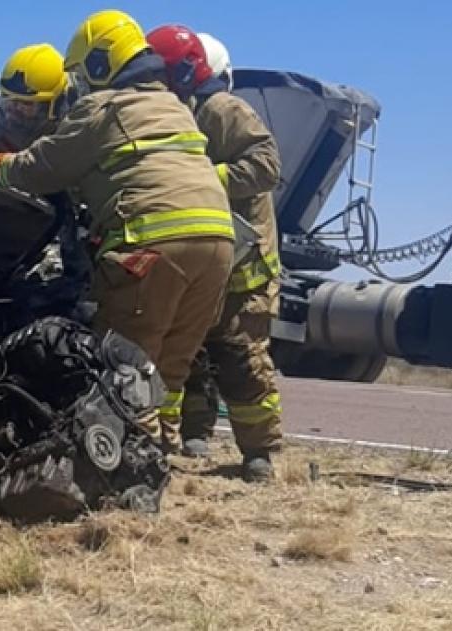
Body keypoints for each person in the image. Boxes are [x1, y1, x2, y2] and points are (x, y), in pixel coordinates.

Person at [0, 9, 235, 452]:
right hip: (217, 247)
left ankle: (126, 467)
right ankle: (161, 455)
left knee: (123, 363)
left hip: (154, 245)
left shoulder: (104, 106)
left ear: (100, 65)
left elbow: (45, 167)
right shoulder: (173, 105)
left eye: (81, 74)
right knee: (169, 370)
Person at [147, 25, 283, 481]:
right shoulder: (174, 113)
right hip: (203, 255)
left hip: (243, 265)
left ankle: (258, 453)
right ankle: (176, 442)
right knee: (183, 353)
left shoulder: (223, 109)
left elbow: (266, 165)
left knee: (241, 356)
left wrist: (204, 181)